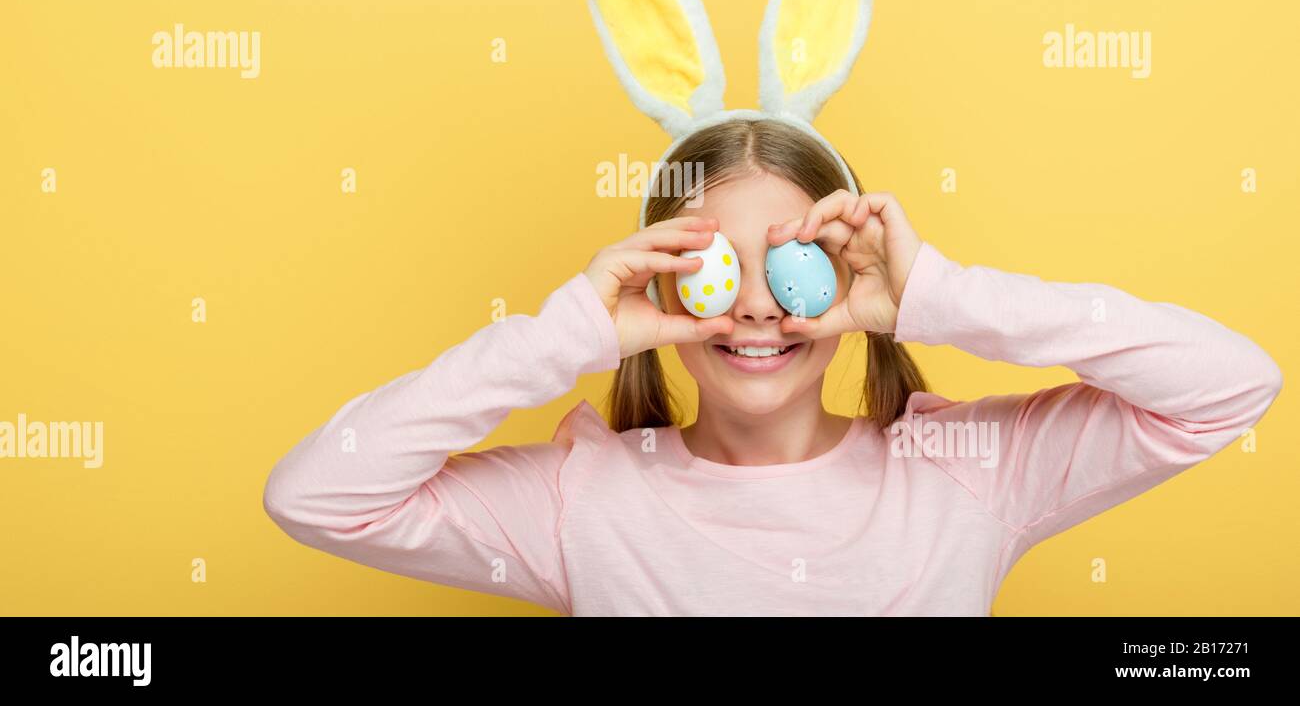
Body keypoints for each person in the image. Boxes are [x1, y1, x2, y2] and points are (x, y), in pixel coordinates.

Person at [262, 117, 1283, 615]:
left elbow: (1230, 384)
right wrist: (563, 331)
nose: (754, 304)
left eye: (789, 267)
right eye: (712, 269)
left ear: (849, 272)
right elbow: (316, 495)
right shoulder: (586, 499)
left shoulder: (969, 470)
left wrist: (942, 296)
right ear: (659, 289)